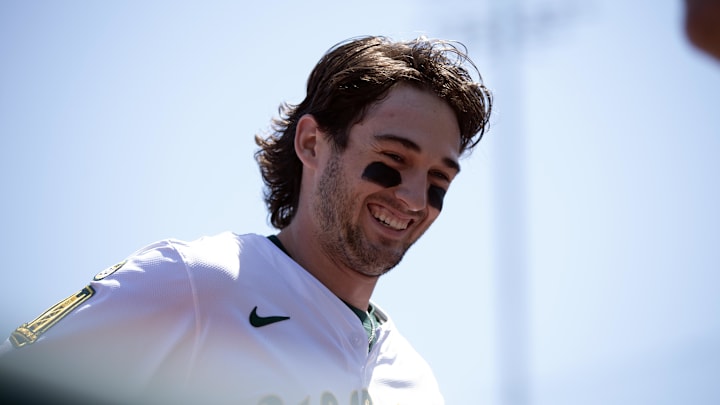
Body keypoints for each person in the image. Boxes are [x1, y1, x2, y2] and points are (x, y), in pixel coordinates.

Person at [0, 35, 492, 405]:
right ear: (312, 144)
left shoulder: (416, 382)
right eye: (394, 158)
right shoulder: (192, 282)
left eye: (438, 181)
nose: (412, 198)